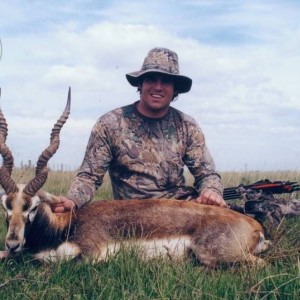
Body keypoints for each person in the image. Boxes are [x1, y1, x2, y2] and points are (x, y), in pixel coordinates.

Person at [52, 47, 227, 213]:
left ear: (175, 90)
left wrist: (211, 192)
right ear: (140, 84)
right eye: (151, 79)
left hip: (179, 213)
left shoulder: (187, 126)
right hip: (131, 216)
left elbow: (207, 174)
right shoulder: (110, 123)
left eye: (166, 81)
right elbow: (89, 177)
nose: (158, 87)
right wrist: (73, 200)